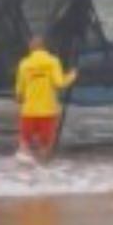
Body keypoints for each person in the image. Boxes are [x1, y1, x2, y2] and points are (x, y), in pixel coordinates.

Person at [14, 35, 77, 164]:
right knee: (45, 144)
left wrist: (19, 100)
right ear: (45, 48)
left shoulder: (25, 64)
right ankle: (44, 170)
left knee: (24, 142)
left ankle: (24, 172)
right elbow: (59, 83)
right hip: (48, 111)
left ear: (31, 48)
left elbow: (19, 90)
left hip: (29, 111)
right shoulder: (52, 61)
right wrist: (72, 75)